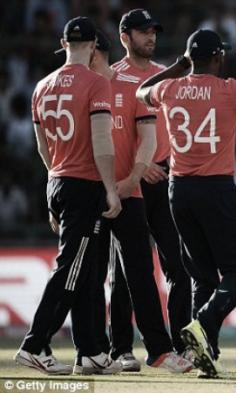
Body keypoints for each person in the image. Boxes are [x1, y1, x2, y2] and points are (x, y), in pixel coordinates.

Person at [137, 29, 236, 378]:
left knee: (202, 276)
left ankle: (205, 352)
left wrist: (174, 70)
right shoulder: (230, 88)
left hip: (179, 191)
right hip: (217, 189)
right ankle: (203, 324)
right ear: (219, 58)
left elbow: (141, 92)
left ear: (191, 59)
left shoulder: (168, 89)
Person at [14, 16, 122, 375]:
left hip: (58, 179)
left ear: (63, 45)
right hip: (84, 183)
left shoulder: (41, 86)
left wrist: (51, 184)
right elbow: (102, 142)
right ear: (93, 47)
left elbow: (42, 146)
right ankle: (35, 343)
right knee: (72, 268)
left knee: (88, 268)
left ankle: (91, 352)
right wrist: (110, 188)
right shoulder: (95, 83)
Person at [89, 30, 193, 374]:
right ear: (124, 37)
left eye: (154, 32)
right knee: (125, 270)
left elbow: (180, 125)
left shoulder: (165, 74)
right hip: (130, 179)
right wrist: (140, 168)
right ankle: (121, 348)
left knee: (177, 266)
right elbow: (115, 135)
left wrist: (168, 164)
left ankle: (179, 345)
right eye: (143, 32)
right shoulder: (113, 77)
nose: (150, 37)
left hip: (164, 176)